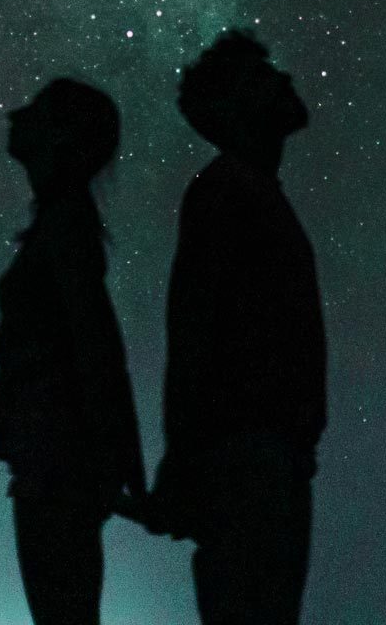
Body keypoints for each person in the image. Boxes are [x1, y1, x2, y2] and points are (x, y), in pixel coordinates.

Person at [139, 31, 327, 625]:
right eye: (260, 75)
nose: (284, 80)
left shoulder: (244, 191)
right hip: (247, 463)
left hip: (266, 459)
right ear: (235, 104)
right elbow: (194, 329)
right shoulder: (227, 190)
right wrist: (185, 462)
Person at [0, 78, 147, 625]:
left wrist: (119, 461)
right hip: (52, 454)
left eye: (37, 109)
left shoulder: (65, 223)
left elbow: (95, 340)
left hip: (56, 459)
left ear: (60, 135)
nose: (14, 113)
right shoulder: (62, 222)